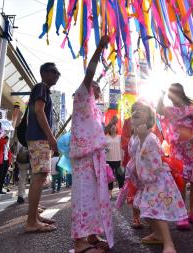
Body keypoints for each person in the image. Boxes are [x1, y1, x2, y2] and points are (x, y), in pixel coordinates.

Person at [70, 35, 113, 253]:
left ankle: (92, 236)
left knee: (95, 196)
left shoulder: (95, 109)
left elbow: (95, 134)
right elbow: (90, 73)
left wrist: (109, 126)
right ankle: (79, 243)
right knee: (83, 195)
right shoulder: (81, 96)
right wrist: (98, 49)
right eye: (94, 85)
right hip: (84, 158)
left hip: (95, 158)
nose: (96, 86)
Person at [128, 103, 187, 253]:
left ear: (149, 118)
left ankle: (169, 244)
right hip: (144, 180)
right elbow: (132, 155)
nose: (136, 112)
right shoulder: (134, 137)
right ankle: (157, 234)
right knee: (140, 207)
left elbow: (154, 162)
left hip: (156, 179)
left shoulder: (150, 137)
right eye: (134, 111)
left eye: (140, 110)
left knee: (155, 209)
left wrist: (141, 139)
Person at [157, 83, 193, 230]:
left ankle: (192, 213)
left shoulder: (192, 109)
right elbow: (158, 110)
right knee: (180, 180)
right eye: (169, 95)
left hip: (192, 148)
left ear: (180, 93)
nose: (171, 98)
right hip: (177, 149)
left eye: (173, 94)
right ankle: (181, 215)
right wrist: (160, 95)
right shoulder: (169, 110)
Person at [25, 62, 60, 233]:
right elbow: (39, 110)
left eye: (57, 73)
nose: (57, 75)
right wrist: (51, 137)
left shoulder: (42, 89)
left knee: (38, 177)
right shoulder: (41, 87)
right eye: (54, 72)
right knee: (39, 177)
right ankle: (31, 221)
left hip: (38, 138)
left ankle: (34, 217)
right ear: (44, 73)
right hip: (40, 138)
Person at [121, 102, 144, 229]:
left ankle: (150, 214)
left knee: (148, 187)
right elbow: (124, 141)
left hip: (147, 160)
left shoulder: (148, 120)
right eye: (136, 110)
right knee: (134, 188)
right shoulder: (127, 122)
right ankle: (136, 216)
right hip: (134, 160)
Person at [106, 123, 124, 197]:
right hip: (108, 160)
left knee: (120, 176)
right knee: (109, 177)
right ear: (109, 129)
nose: (113, 128)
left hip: (118, 160)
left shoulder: (120, 137)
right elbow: (103, 149)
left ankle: (121, 193)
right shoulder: (105, 137)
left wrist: (122, 160)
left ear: (116, 128)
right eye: (111, 127)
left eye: (114, 127)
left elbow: (122, 149)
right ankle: (109, 193)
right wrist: (106, 149)